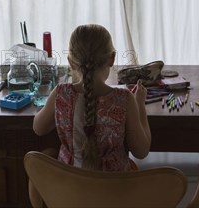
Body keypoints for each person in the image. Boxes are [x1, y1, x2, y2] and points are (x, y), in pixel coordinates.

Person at [33, 24, 151, 171]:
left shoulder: (60, 94)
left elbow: (38, 128)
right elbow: (141, 151)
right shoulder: (124, 99)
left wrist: (58, 111)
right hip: (114, 190)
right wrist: (139, 103)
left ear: (71, 63)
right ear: (111, 59)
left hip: (67, 189)